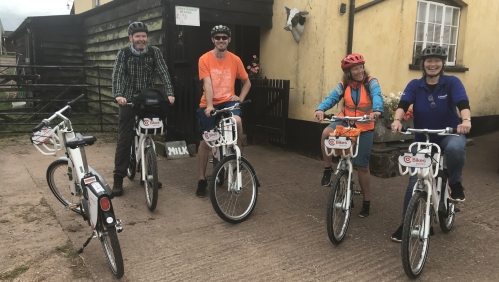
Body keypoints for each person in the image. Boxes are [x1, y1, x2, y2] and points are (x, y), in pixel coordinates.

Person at [390, 45, 471, 242]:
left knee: (455, 148)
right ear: (423, 64)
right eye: (428, 61)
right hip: (423, 137)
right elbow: (403, 104)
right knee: (415, 181)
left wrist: (466, 121)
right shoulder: (415, 85)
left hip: (448, 133)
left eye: (436, 61)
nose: (432, 64)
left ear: (442, 64)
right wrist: (397, 120)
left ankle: (455, 182)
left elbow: (463, 103)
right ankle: (406, 223)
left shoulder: (451, 82)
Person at [314, 53, 383, 218]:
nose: (359, 71)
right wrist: (320, 108)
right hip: (345, 121)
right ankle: (327, 169)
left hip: (365, 125)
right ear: (348, 72)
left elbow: (377, 96)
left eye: (361, 67)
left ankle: (366, 202)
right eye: (355, 69)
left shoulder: (371, 82)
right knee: (326, 134)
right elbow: (332, 98)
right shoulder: (343, 84)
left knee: (362, 166)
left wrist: (377, 110)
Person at [111, 22, 175, 196]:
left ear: (147, 38)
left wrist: (169, 93)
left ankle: (149, 172)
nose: (141, 39)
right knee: (124, 139)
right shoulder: (123, 54)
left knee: (150, 133)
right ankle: (118, 178)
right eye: (137, 36)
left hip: (148, 100)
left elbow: (163, 72)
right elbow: (117, 75)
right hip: (129, 100)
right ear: (131, 38)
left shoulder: (154, 53)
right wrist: (118, 94)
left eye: (143, 36)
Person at [195, 25, 251, 197]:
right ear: (213, 40)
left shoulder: (235, 59)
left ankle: (237, 155)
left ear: (229, 40)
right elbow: (208, 84)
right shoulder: (204, 59)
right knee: (206, 142)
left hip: (228, 102)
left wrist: (239, 99)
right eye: (217, 37)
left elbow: (247, 82)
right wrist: (210, 105)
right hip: (209, 103)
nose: (221, 40)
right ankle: (202, 179)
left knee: (238, 121)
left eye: (224, 37)